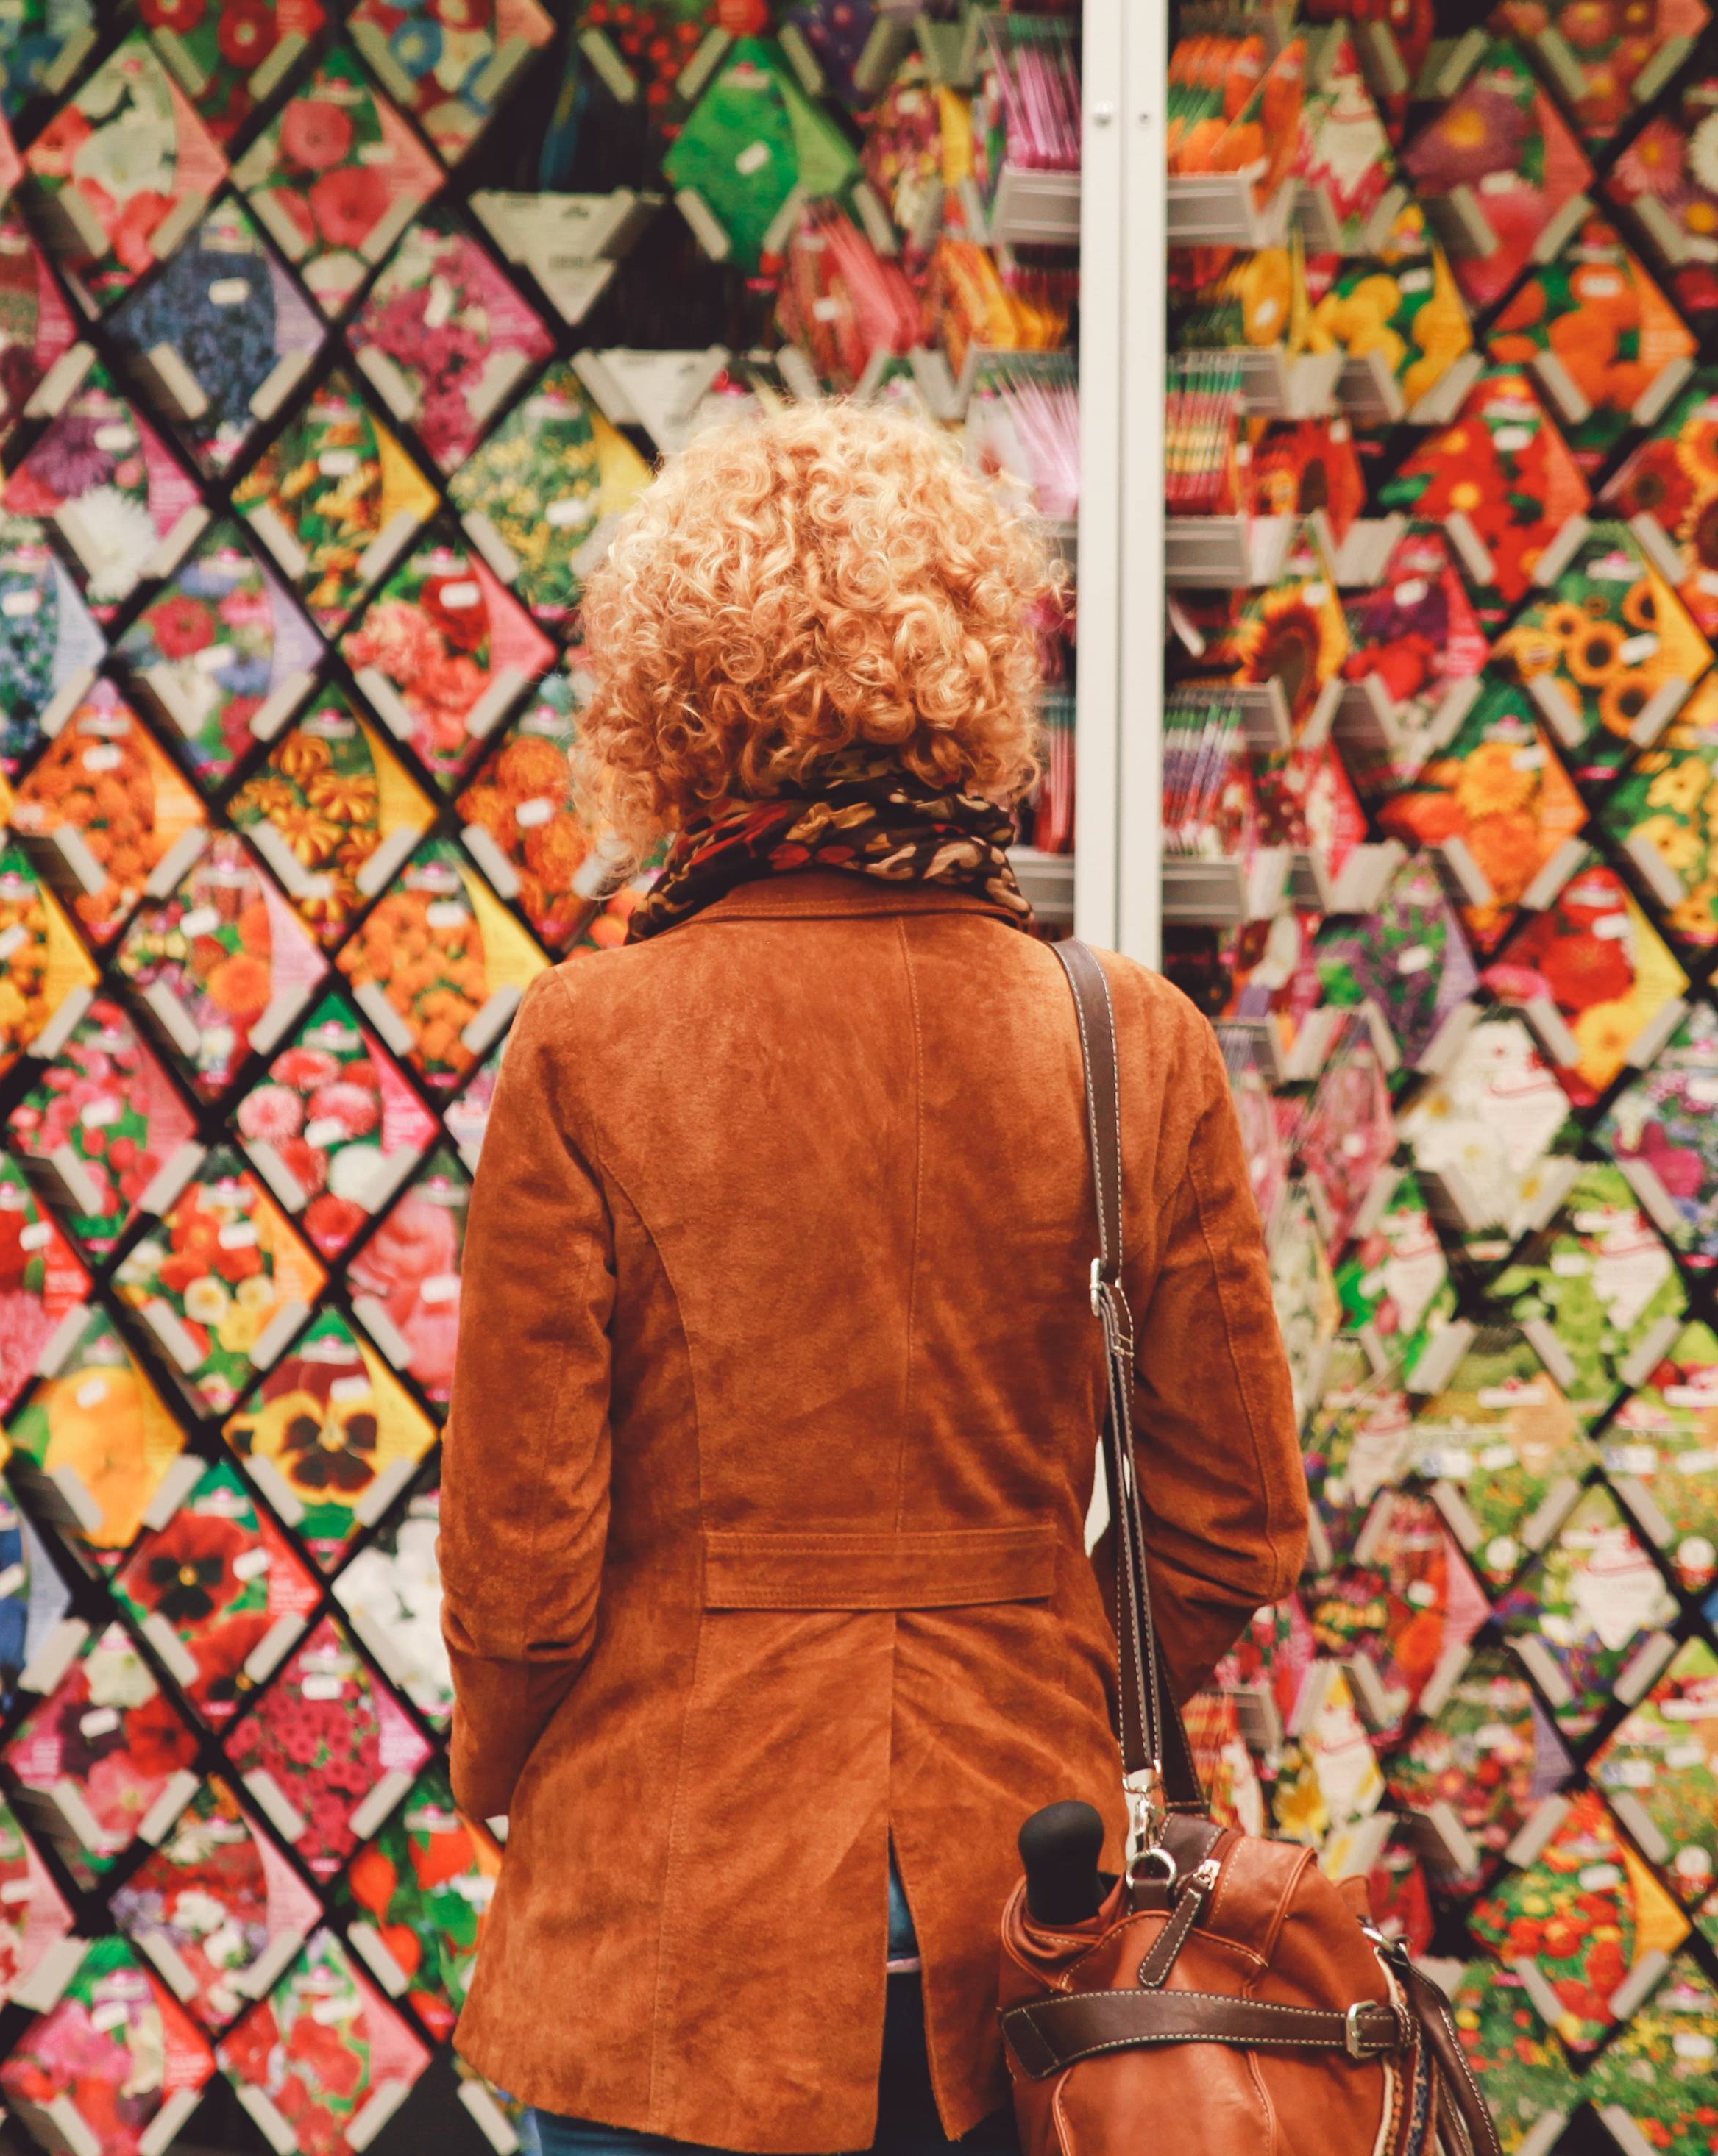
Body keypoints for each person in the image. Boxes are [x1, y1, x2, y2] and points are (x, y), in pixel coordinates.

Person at [437, 402, 1305, 2156]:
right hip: (1034, 1918)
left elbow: (520, 1564)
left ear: (670, 705)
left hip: (669, 1915)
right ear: (978, 680)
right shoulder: (1126, 1038)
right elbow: (1234, 1521)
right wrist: (1050, 1658)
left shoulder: (590, 1039)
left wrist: (512, 1772)